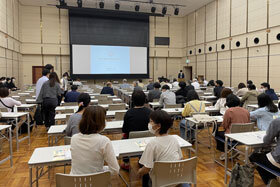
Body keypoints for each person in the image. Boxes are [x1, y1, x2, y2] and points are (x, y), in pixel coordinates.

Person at [138, 110, 183, 187]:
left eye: (151, 122)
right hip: (176, 180)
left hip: (160, 183)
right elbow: (180, 158)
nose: (149, 124)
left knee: (144, 174)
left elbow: (147, 168)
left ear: (158, 126)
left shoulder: (152, 143)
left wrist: (139, 172)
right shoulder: (174, 139)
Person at [70, 106, 119, 175]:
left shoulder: (74, 138)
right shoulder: (104, 141)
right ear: (101, 122)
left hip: (74, 182)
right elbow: (115, 170)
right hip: (97, 182)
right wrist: (101, 169)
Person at [122, 90, 152, 170]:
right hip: (148, 140)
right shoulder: (150, 112)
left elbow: (125, 129)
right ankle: (142, 160)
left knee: (123, 138)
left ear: (132, 100)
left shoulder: (129, 113)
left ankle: (126, 163)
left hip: (131, 140)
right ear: (144, 100)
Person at [215, 94, 250, 160]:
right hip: (244, 136)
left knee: (218, 132)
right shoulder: (246, 111)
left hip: (232, 136)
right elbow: (248, 122)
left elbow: (224, 125)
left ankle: (224, 153)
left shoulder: (229, 111)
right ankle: (233, 150)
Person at [249, 118, 280, 185]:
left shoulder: (277, 121)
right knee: (268, 154)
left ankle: (270, 181)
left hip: (278, 162)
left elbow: (266, 141)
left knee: (253, 157)